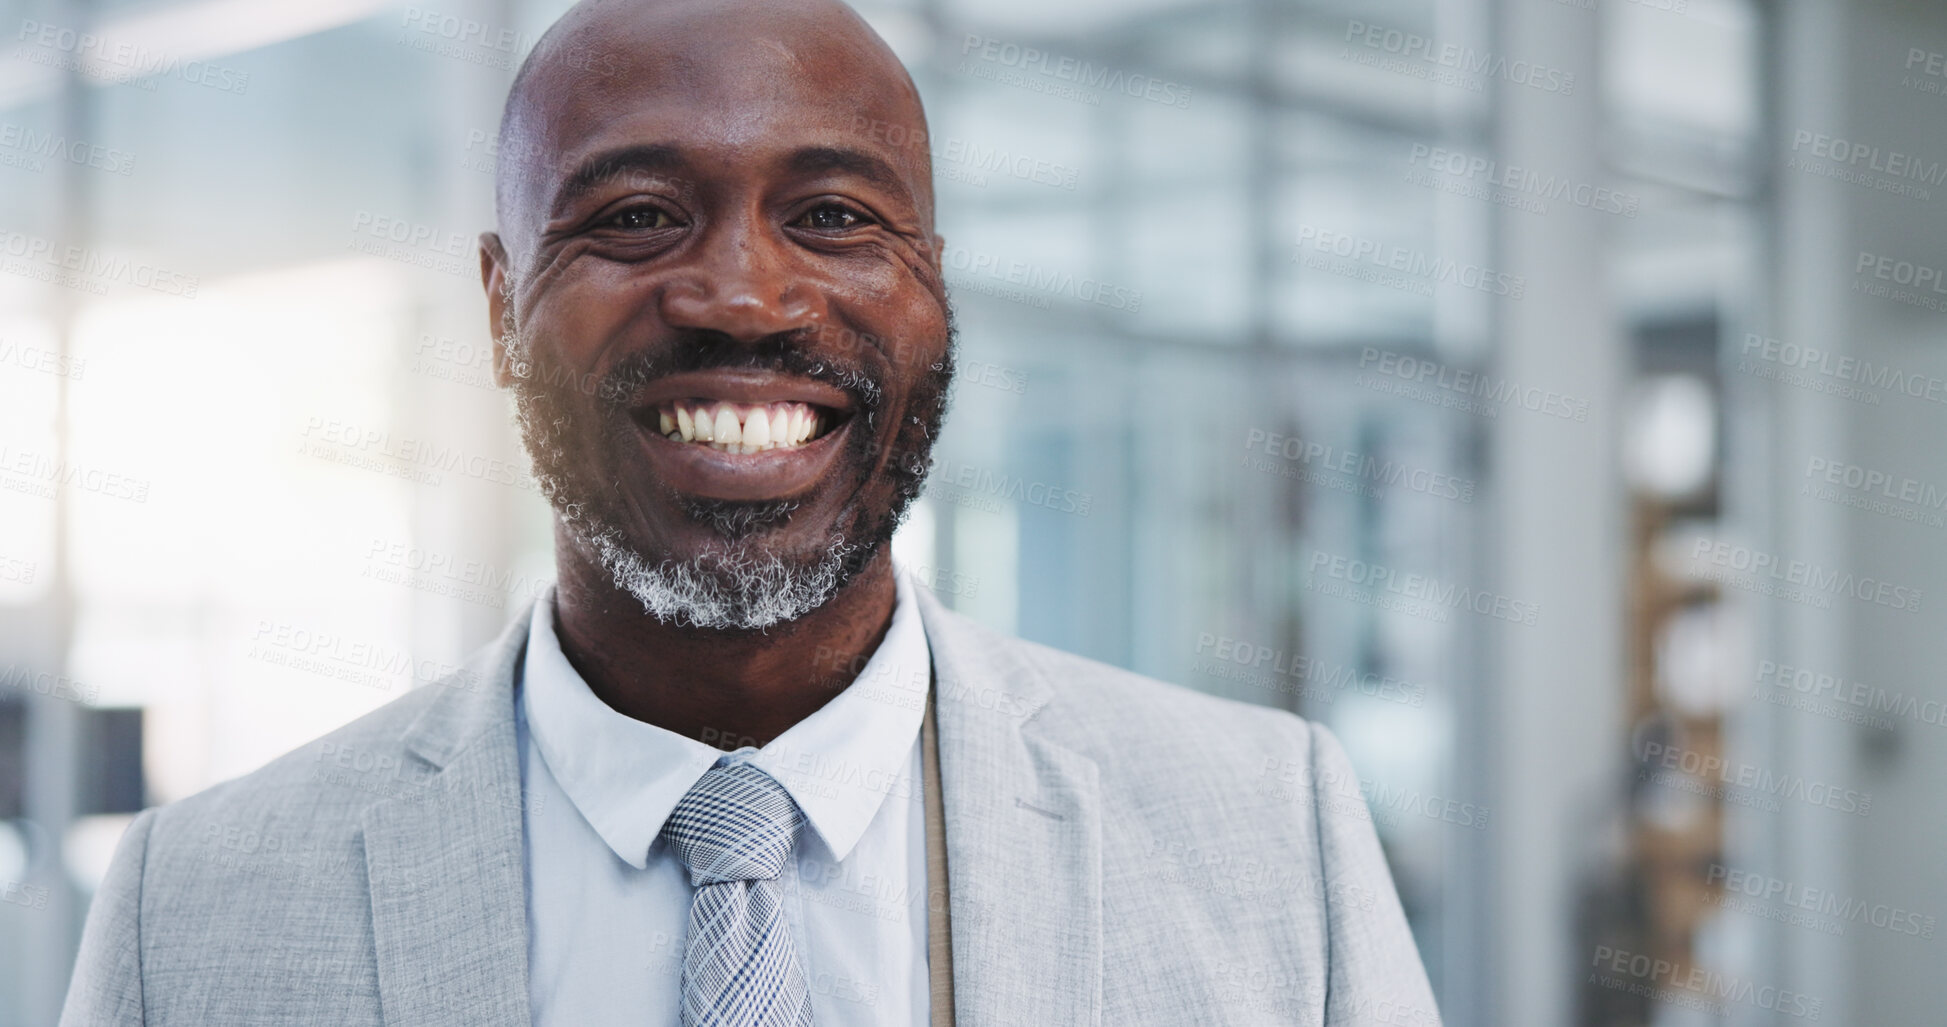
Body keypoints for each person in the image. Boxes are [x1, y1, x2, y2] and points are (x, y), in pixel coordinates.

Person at [61, 0, 1440, 1023]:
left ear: (935, 292)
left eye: (836, 217)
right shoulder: (194, 913)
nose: (743, 296)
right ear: (498, 304)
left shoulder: (1271, 841)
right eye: (640, 215)